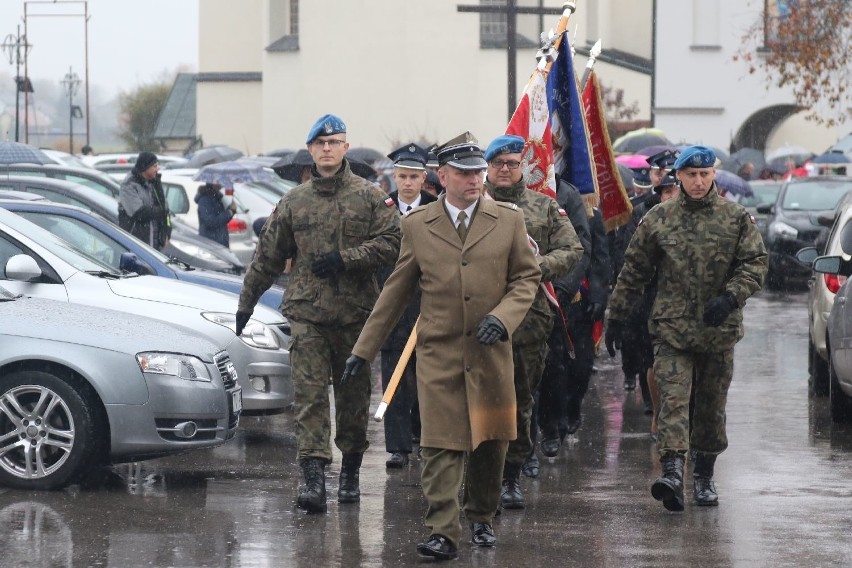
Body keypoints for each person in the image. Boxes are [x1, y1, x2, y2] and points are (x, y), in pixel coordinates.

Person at [341, 131, 541, 560]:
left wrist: (502, 319)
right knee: (440, 444)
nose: (475, 180)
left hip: (490, 351)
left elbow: (527, 279)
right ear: (443, 176)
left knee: (490, 442)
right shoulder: (417, 225)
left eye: (478, 173)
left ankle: (482, 516)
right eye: (465, 173)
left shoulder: (508, 220)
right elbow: (395, 293)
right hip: (439, 352)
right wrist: (363, 350)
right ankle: (442, 531)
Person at [235, 113, 401, 513]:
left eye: (334, 143)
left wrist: (347, 259)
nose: (327, 149)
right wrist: (246, 303)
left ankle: (350, 473)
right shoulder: (294, 201)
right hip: (307, 314)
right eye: (320, 144)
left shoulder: (370, 196)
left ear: (345, 148)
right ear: (310, 151)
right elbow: (267, 256)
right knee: (309, 398)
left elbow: (394, 242)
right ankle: (313, 478)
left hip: (356, 315)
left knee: (353, 400)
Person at [605, 146, 767, 511]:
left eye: (704, 174)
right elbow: (633, 271)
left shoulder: (735, 218)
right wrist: (616, 317)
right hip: (671, 330)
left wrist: (730, 296)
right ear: (678, 176)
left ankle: (704, 475)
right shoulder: (660, 219)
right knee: (673, 402)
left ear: (712, 176)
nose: (697, 181)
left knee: (710, 408)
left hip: (717, 332)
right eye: (691, 175)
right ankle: (673, 472)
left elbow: (756, 264)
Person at [481, 135, 583, 510]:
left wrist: (536, 268)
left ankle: (511, 475)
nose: (504, 170)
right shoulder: (473, 205)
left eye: (512, 163)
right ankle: (478, 474)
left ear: (523, 166)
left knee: (519, 399)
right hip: (478, 316)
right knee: (478, 396)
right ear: (487, 168)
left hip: (529, 319)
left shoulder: (544, 207)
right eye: (497, 164)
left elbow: (573, 249)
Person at [378, 142, 437, 469]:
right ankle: (398, 447)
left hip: (430, 304)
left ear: (423, 177)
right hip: (395, 305)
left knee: (429, 379)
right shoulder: (382, 208)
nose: (408, 182)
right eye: (402, 176)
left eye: (414, 176)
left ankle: (427, 439)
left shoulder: (437, 207)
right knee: (395, 380)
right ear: (395, 176)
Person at [118, 151, 171, 250]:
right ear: (145, 167)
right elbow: (138, 213)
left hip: (155, 245)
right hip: (136, 244)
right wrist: (160, 211)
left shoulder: (155, 183)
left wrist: (167, 230)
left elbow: (166, 210)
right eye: (155, 166)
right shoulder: (129, 184)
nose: (157, 169)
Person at [195, 182, 237, 247]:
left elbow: (220, 218)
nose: (222, 183)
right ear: (213, 182)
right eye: (220, 181)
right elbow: (211, 221)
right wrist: (229, 212)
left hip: (220, 241)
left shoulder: (216, 197)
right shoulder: (205, 200)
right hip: (211, 243)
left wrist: (231, 210)